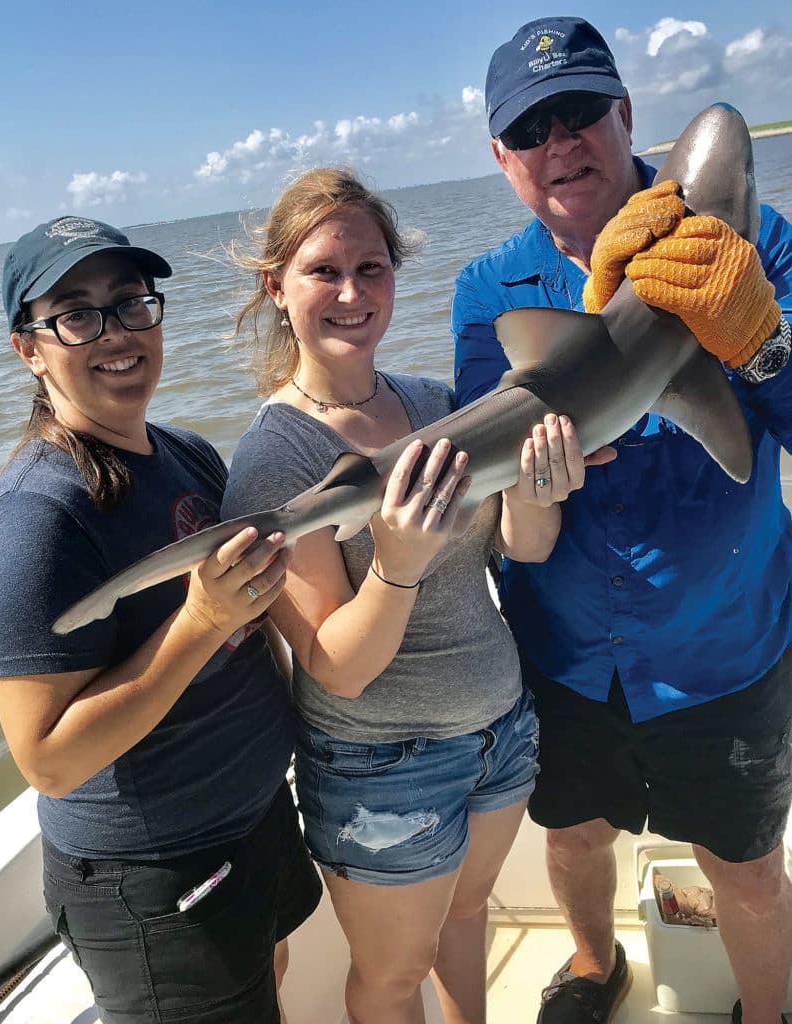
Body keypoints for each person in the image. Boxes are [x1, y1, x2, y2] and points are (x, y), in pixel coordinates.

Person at [452, 15, 792, 1024]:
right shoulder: (490, 294)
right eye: (530, 129)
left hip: (722, 641)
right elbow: (518, 537)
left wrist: (758, 346)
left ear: (625, 114)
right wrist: (530, 488)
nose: (560, 142)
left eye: (579, 113)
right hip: (564, 648)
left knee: (746, 867)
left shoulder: (758, 246)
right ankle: (595, 967)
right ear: (502, 158)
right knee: (572, 834)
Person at [222, 166, 614, 1024]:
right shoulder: (277, 462)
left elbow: (521, 549)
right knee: (393, 978)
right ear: (276, 287)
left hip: (500, 731)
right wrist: (396, 564)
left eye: (372, 268)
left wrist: (540, 492)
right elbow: (336, 669)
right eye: (324, 270)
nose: (352, 292)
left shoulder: (437, 404)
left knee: (467, 918)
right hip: (381, 769)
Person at [0, 216, 322, 1024]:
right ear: (28, 347)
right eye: (76, 313)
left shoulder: (182, 451)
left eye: (130, 302)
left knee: (268, 983)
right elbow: (49, 763)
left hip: (254, 818)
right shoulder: (33, 521)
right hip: (158, 871)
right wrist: (199, 621)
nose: (116, 332)